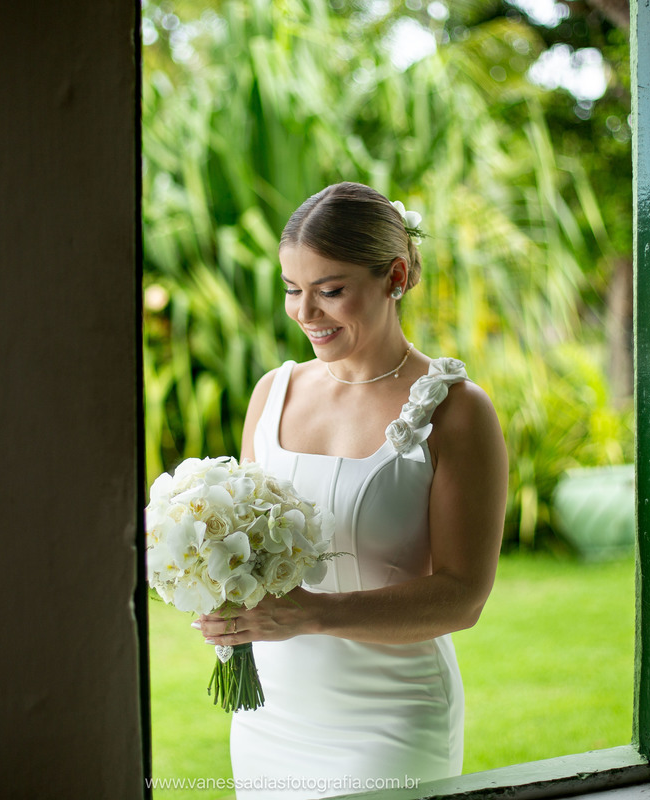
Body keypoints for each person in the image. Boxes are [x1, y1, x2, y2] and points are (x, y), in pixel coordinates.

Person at [194, 182, 509, 799]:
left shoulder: (458, 412)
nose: (305, 313)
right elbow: (252, 552)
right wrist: (215, 582)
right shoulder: (272, 394)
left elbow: (463, 597)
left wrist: (314, 614)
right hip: (269, 717)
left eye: (330, 291)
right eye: (292, 290)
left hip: (390, 718)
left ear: (394, 276)